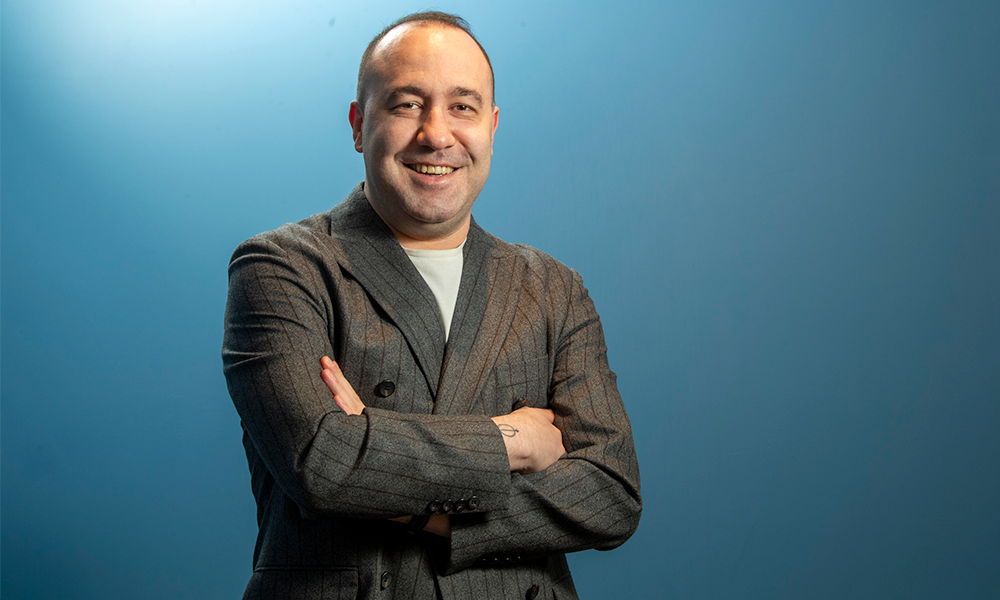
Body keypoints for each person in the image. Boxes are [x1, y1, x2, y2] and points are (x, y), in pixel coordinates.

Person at [222, 11, 640, 600]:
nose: (436, 134)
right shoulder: (282, 267)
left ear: (492, 126)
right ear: (358, 124)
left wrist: (415, 503)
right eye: (407, 104)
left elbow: (610, 494)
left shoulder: (553, 288)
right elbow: (322, 462)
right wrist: (512, 440)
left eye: (462, 107)